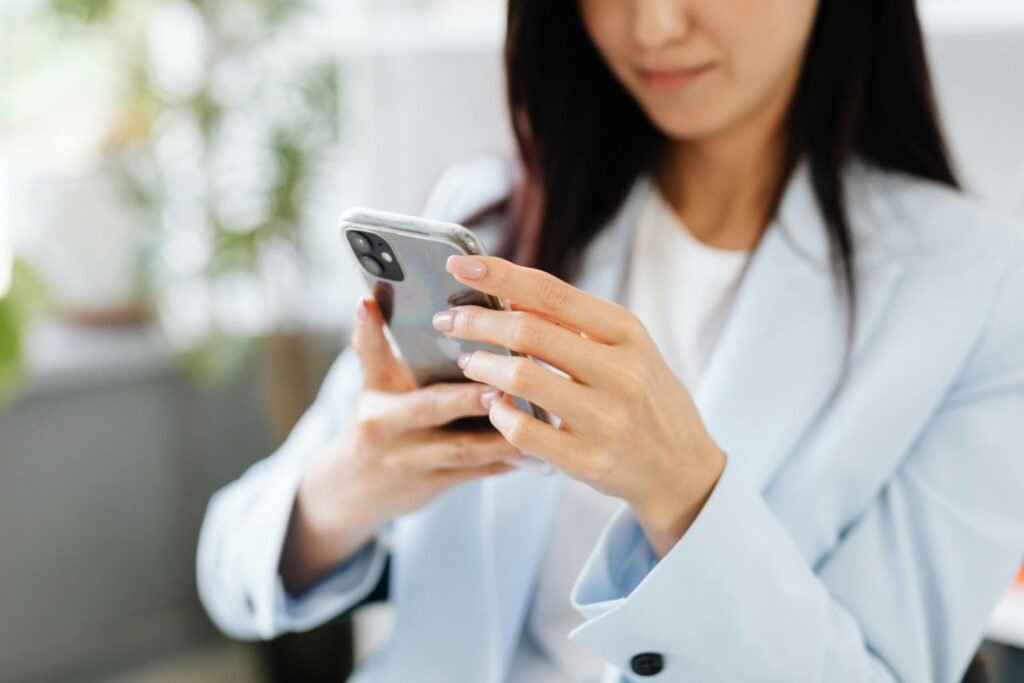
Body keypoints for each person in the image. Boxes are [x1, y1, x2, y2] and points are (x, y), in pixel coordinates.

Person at [196, 1, 1024, 681]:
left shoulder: (978, 288)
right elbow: (230, 568)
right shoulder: (495, 214)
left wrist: (685, 494)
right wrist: (344, 490)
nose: (654, 25)